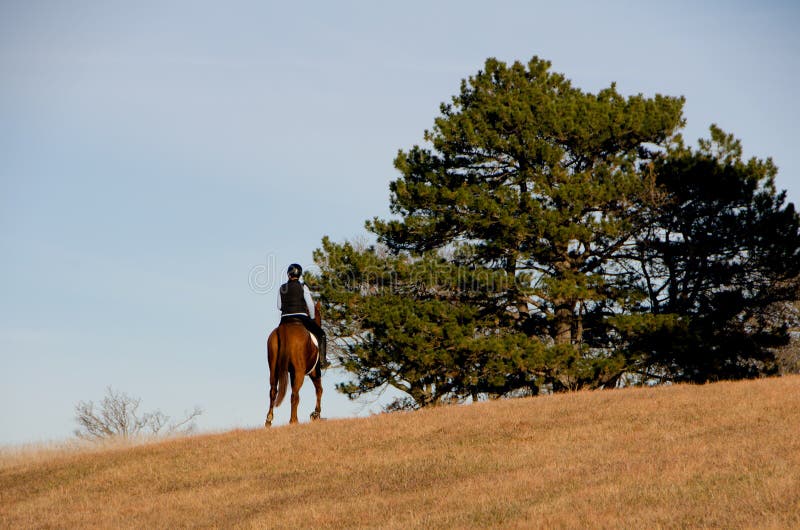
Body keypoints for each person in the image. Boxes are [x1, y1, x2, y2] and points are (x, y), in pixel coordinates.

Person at [277, 263, 327, 368]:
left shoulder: (281, 288)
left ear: (288, 274)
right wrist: (312, 318)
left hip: (285, 319)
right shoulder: (303, 287)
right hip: (301, 317)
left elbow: (279, 306)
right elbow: (310, 305)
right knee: (322, 335)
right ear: (299, 275)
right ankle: (322, 361)